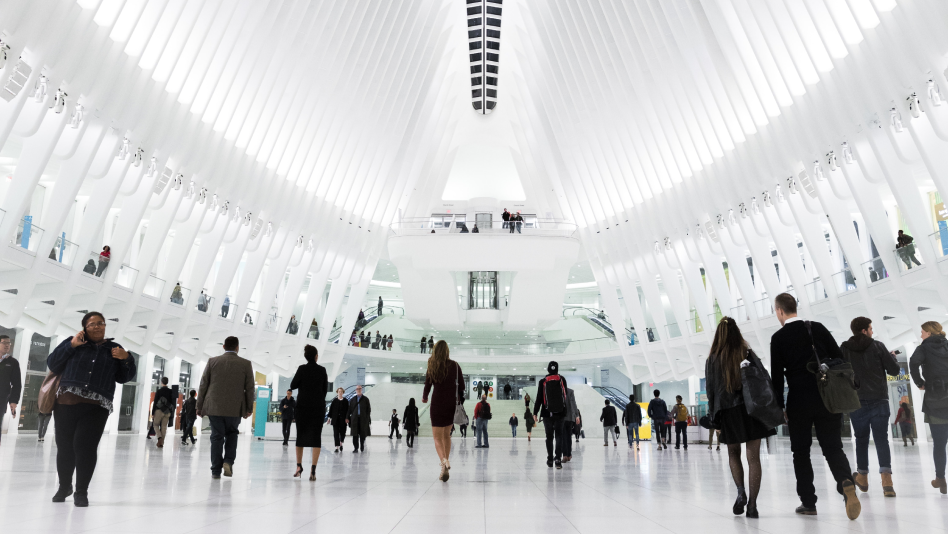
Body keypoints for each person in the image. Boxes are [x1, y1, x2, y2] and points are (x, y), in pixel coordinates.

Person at [770, 293, 860, 519]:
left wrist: (780, 407)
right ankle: (845, 481)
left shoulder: (779, 337)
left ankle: (808, 502)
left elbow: (777, 377)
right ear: (795, 308)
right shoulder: (817, 328)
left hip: (799, 400)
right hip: (828, 397)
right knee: (832, 447)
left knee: (800, 452)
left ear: (780, 311)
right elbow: (839, 359)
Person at [47, 312, 137, 507]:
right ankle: (64, 487)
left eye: (101, 323)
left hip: (96, 407)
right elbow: (53, 363)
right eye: (92, 324)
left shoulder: (115, 348)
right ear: (84, 327)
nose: (97, 327)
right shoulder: (72, 342)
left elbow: (124, 377)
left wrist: (127, 358)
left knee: (84, 447)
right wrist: (71, 346)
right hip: (65, 403)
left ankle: (81, 492)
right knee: (65, 447)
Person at [706, 316, 776, 519]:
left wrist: (715, 420)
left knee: (733, 454)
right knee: (753, 458)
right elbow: (764, 378)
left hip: (728, 412)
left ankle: (740, 492)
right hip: (752, 410)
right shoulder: (746, 352)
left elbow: (711, 392)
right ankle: (753, 506)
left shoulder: (712, 359)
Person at [841, 317, 900, 497]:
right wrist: (891, 358)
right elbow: (894, 370)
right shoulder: (878, 346)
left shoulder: (844, 348)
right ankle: (887, 482)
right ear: (865, 330)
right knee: (881, 439)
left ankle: (863, 477)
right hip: (879, 399)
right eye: (871, 328)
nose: (872, 331)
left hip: (856, 400)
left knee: (861, 439)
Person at [196, 336, 255, 479]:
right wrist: (248, 408)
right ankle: (228, 461)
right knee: (232, 434)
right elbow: (250, 388)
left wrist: (199, 406)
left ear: (223, 347)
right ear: (237, 347)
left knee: (216, 437)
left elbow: (203, 385)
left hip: (214, 407)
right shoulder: (245, 364)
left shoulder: (212, 361)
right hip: (235, 408)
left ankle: (216, 470)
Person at [909, 321, 948, 494]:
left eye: (922, 332)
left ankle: (940, 478)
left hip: (935, 399)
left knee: (939, 443)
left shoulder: (923, 348)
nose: (921, 335)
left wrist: (920, 383)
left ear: (929, 333)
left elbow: (912, 363)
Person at [423, 340, 465, 480]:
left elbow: (428, 384)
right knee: (447, 436)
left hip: (437, 403)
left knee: (437, 437)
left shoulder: (432, 364)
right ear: (447, 351)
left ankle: (444, 461)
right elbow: (462, 386)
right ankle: (444, 467)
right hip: (451, 405)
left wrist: (425, 397)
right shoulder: (455, 365)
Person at [289, 345, 328, 481]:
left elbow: (293, 385)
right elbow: (324, 390)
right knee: (316, 437)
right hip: (317, 408)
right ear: (316, 356)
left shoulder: (302, 369)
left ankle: (299, 466)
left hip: (302, 408)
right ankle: (313, 469)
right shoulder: (322, 370)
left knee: (300, 436)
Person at [534, 361, 568, 468]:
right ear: (557, 369)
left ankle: (549, 459)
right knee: (559, 436)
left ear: (548, 369)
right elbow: (565, 395)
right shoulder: (562, 379)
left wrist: (535, 412)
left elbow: (539, 398)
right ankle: (558, 459)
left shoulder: (543, 381)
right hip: (560, 412)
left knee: (549, 437)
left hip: (546, 413)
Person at [0, 335, 21, 446]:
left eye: (9, 343)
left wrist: (13, 401)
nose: (7, 345)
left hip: (1, 400)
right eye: (4, 342)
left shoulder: (13, 362)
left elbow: (16, 384)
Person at [151, 377, 175, 448]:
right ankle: (161, 443)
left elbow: (155, 402)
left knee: (155, 425)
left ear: (161, 382)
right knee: (164, 427)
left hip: (159, 410)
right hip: (167, 411)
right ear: (167, 382)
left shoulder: (159, 391)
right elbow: (173, 402)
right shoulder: (171, 391)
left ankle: (159, 438)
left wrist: (153, 413)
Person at [346, 385, 371, 452]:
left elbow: (368, 410)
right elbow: (349, 410)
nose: (358, 390)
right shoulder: (353, 399)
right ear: (356, 390)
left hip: (363, 419)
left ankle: (362, 445)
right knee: (355, 434)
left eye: (360, 388)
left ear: (361, 389)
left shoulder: (366, 399)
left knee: (363, 434)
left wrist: (367, 418)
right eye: (357, 389)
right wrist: (347, 418)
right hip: (354, 419)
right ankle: (356, 448)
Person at [328, 388, 348, 452]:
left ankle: (341, 443)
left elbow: (348, 410)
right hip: (335, 420)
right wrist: (329, 418)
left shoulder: (346, 401)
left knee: (342, 432)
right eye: (339, 391)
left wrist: (347, 418)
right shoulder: (334, 401)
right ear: (337, 392)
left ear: (343, 392)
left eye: (341, 391)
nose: (340, 392)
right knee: (336, 433)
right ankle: (337, 447)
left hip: (343, 420)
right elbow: (331, 410)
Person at [563, 387, 579, 461]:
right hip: (569, 418)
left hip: (563, 418)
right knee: (568, 437)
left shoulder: (561, 391)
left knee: (564, 437)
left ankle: (565, 455)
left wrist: (576, 415)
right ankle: (568, 454)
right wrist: (576, 416)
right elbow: (573, 404)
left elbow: (573, 404)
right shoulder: (570, 391)